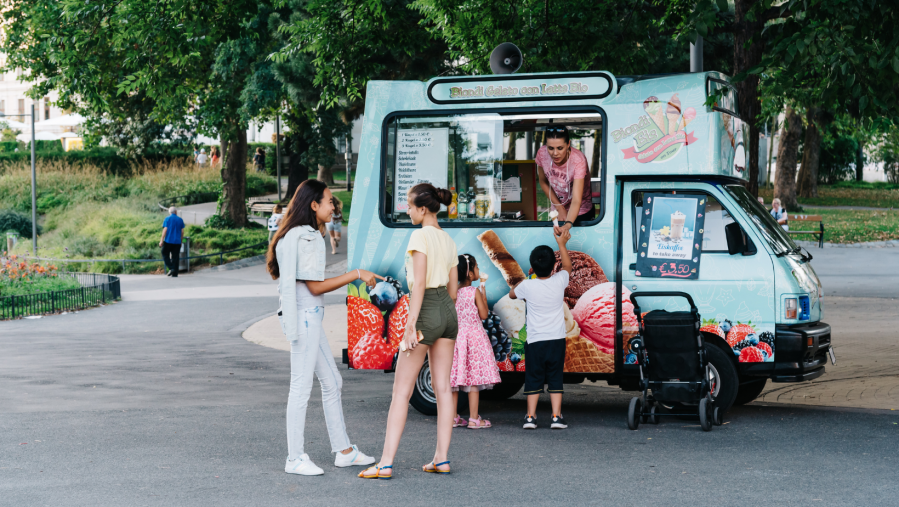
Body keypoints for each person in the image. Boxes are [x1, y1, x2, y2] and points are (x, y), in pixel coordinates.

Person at [267, 179, 381, 476]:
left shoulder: (301, 233)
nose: (334, 206)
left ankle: (343, 451)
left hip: (310, 318)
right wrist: (355, 274)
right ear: (314, 205)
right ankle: (294, 458)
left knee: (332, 382)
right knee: (301, 388)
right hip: (306, 317)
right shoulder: (305, 236)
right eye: (330, 201)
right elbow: (315, 287)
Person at [359, 183, 458, 480]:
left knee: (401, 392)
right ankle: (441, 459)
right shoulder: (448, 239)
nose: (407, 210)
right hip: (447, 313)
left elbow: (418, 283)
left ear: (423, 208)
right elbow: (453, 290)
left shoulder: (420, 236)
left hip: (425, 309)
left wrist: (410, 325)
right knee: (443, 390)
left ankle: (385, 463)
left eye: (410, 206)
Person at [509, 228, 572, 430]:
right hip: (556, 339)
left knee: (533, 377)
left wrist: (526, 281)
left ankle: (530, 417)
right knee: (555, 377)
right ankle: (555, 417)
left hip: (535, 341)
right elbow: (568, 267)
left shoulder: (528, 285)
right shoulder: (559, 280)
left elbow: (511, 294)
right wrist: (561, 244)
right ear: (554, 266)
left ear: (532, 267)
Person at [450, 254, 502, 429]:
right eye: (477, 267)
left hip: (457, 339)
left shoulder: (453, 293)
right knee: (473, 379)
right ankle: (473, 419)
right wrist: (483, 295)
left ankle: (453, 417)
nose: (479, 270)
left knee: (455, 380)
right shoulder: (475, 292)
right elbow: (484, 314)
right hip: (474, 338)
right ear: (470, 273)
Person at [535, 125, 594, 236]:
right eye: (550, 148)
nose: (555, 153)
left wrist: (567, 225)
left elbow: (576, 199)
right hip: (558, 208)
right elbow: (543, 181)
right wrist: (559, 207)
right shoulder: (542, 153)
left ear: (568, 144)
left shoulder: (578, 159)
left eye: (560, 148)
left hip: (581, 209)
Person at [159, 206, 185, 277]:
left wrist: (161, 240)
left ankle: (171, 267)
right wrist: (181, 241)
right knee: (175, 257)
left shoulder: (167, 219)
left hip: (168, 241)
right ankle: (175, 273)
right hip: (177, 242)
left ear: (170, 212)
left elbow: (165, 230)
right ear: (176, 212)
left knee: (164, 253)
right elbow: (182, 232)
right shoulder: (180, 220)